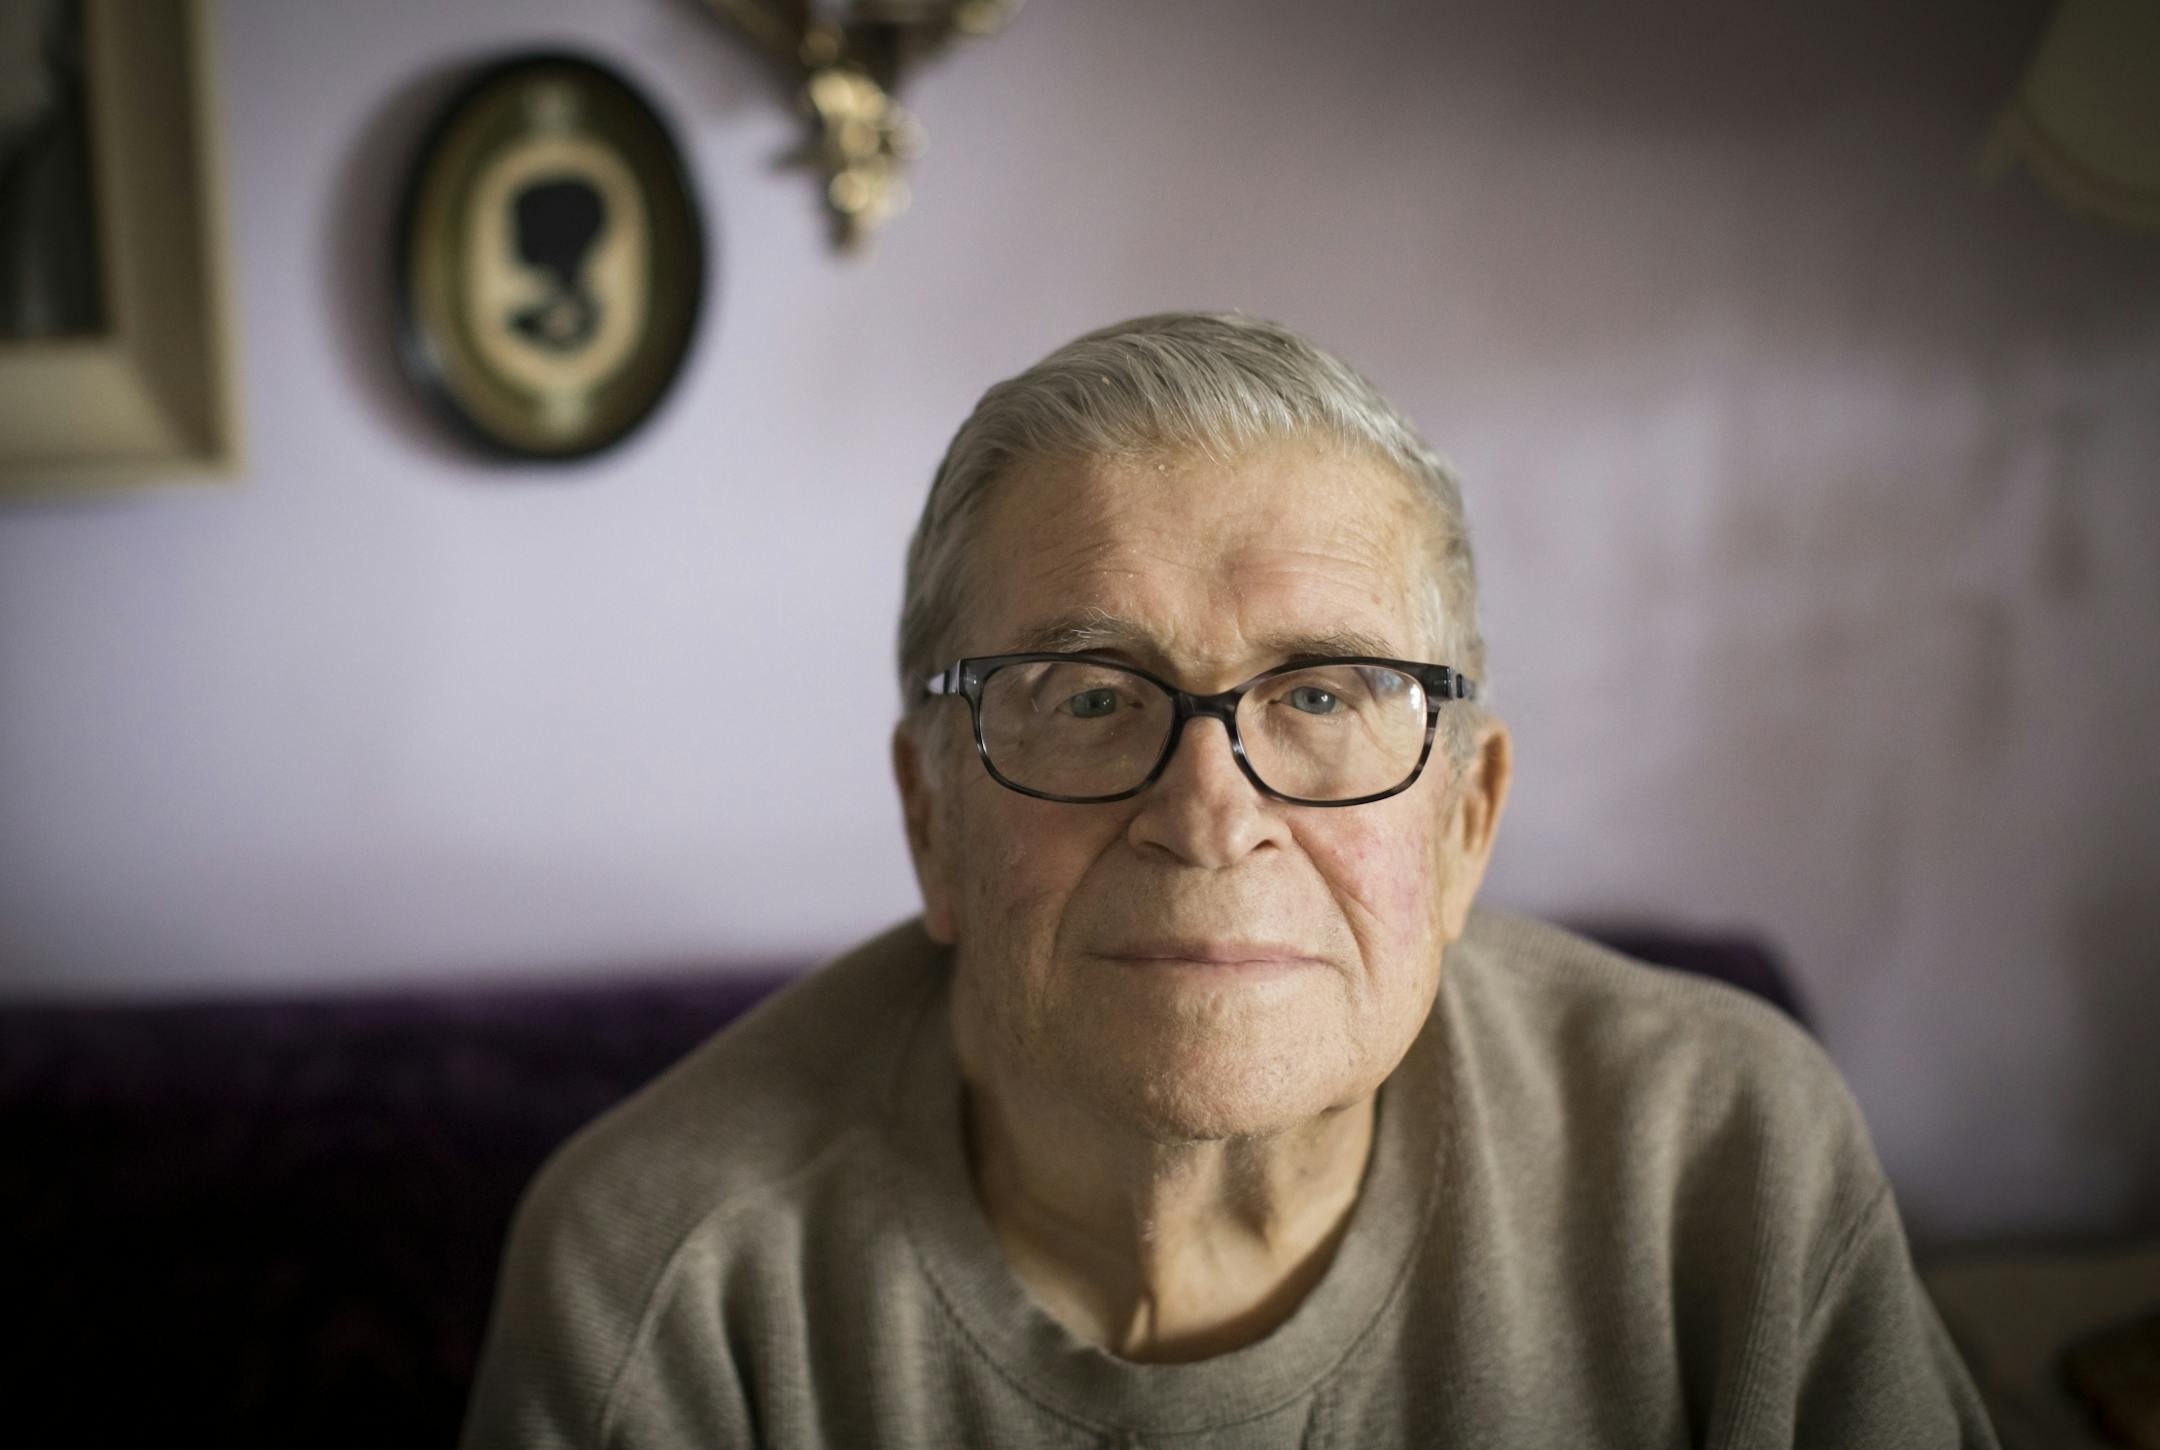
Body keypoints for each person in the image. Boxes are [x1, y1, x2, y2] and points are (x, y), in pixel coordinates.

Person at [460, 313, 1998, 1447]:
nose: (1209, 811)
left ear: (1467, 824)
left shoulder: (1725, 1159)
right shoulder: (665, 1280)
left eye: (1322, 697)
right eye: (1086, 695)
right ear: (932, 819)